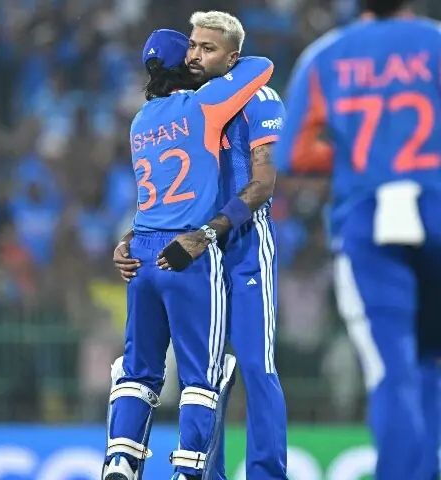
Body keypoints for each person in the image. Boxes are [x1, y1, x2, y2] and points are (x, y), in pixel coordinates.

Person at [114, 11, 288, 479]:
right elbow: (168, 193)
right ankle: (209, 472)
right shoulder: (191, 104)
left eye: (207, 49)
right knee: (209, 368)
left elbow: (263, 184)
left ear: (233, 59)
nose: (194, 55)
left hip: (244, 247)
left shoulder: (258, 99)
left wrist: (209, 232)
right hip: (195, 251)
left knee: (255, 364)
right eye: (191, 45)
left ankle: (267, 473)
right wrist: (134, 239)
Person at [275, 0, 441, 478]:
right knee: (431, 365)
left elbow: (292, 154)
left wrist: (358, 159)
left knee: (392, 372)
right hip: (436, 203)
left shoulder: (326, 54)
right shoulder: (435, 41)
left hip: (368, 221)